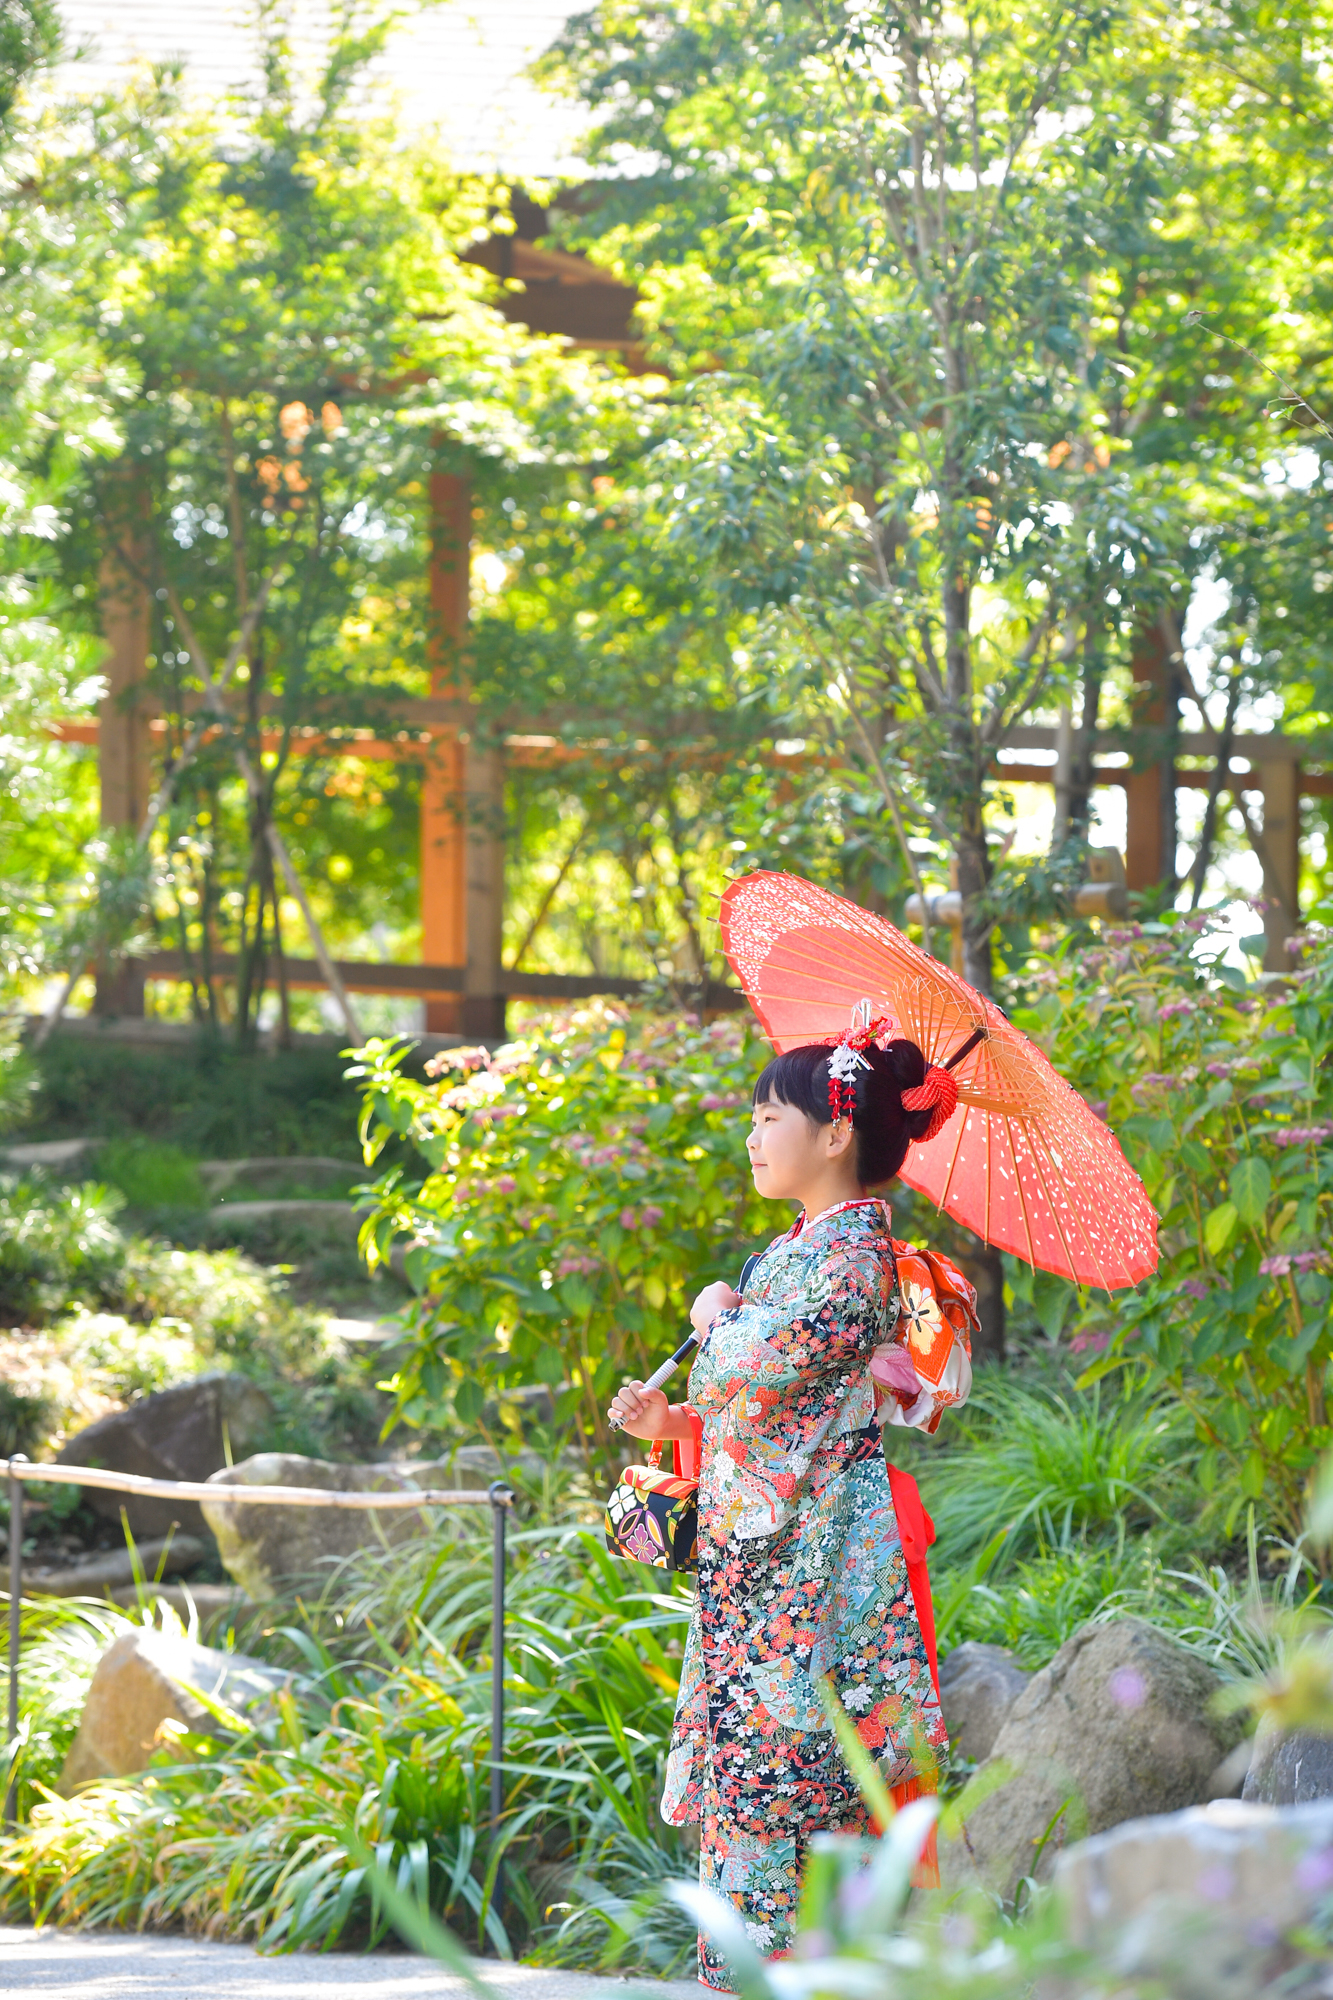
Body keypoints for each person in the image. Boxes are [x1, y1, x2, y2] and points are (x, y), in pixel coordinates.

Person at [607, 1021, 977, 1991]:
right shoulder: (794, 1254)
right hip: (760, 1569)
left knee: (793, 1792)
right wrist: (669, 1415)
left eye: (769, 1114)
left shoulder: (857, 1263)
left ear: (834, 1133)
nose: (752, 1134)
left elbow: (771, 1372)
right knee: (749, 1795)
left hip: (811, 1579)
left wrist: (714, 1319)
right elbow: (756, 1415)